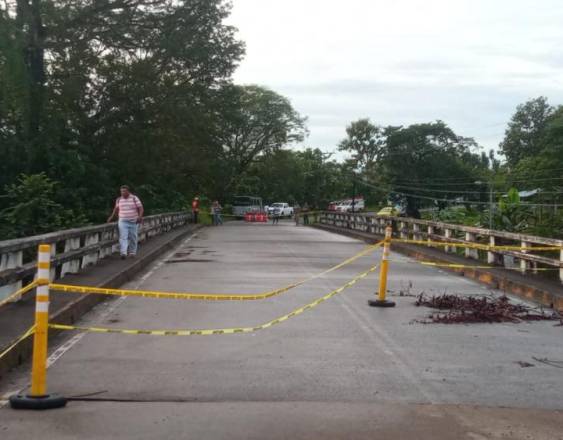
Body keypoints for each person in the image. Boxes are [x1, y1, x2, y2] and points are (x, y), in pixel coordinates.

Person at [107, 185, 144, 259]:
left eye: (124, 191)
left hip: (133, 221)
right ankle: (123, 253)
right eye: (121, 191)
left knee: (133, 237)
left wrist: (140, 217)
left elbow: (141, 208)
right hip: (123, 221)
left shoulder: (134, 198)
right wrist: (111, 217)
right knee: (123, 237)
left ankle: (132, 252)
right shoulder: (119, 199)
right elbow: (116, 209)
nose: (122, 193)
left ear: (128, 191)